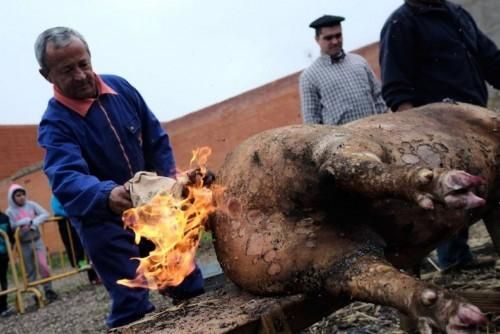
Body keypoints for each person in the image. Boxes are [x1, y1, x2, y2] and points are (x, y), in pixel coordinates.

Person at [35, 27, 204, 328]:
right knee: (132, 297)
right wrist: (105, 195)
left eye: (83, 64)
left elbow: (156, 139)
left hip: (151, 206)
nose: (81, 75)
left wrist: (166, 186)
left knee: (185, 278)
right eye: (67, 70)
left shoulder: (121, 89)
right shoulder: (55, 124)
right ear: (46, 75)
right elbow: (66, 177)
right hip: (104, 219)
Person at [379, 0, 500, 270]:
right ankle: (453, 261)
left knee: (492, 190)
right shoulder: (401, 24)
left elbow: (491, 60)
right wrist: (416, 143)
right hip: (438, 134)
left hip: (476, 120)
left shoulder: (457, 14)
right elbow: (398, 90)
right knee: (451, 196)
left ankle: (462, 256)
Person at [299, 15, 387, 125]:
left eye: (338, 35)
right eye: (328, 38)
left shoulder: (359, 62)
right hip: (342, 141)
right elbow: (312, 123)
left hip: (373, 135)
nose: (335, 41)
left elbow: (379, 99)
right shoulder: (309, 77)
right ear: (317, 39)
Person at [5, 184, 58, 303]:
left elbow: (45, 213)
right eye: (18, 195)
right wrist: (20, 223)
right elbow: (11, 226)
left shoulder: (31, 204)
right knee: (30, 269)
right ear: (12, 197)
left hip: (37, 240)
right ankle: (35, 293)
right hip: (23, 244)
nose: (22, 197)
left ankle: (49, 290)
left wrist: (35, 221)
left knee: (43, 265)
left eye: (23, 194)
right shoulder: (9, 211)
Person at [50, 195, 99, 284]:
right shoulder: (55, 197)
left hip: (77, 223)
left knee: (86, 245)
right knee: (74, 245)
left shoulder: (71, 193)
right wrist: (72, 212)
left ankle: (95, 276)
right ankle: (81, 263)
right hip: (67, 224)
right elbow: (57, 210)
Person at [0, 211, 14, 317]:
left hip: (3, 254)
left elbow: (10, 236)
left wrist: (10, 249)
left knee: (3, 280)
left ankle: (3, 306)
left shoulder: (4, 217)